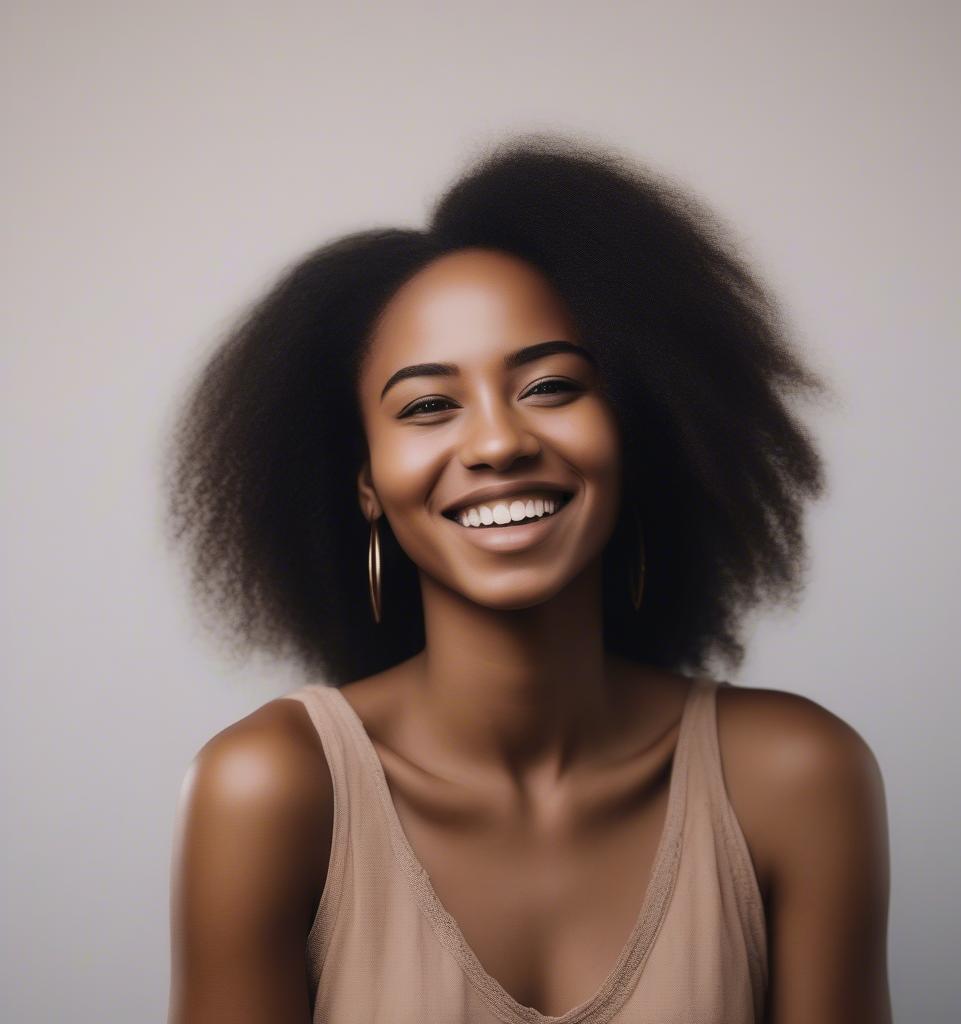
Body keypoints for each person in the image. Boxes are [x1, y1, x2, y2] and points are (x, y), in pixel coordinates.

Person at [163, 134, 892, 1023]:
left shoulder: (793, 779)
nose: (500, 443)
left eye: (550, 386)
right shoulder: (272, 792)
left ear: (637, 430)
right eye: (429, 405)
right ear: (364, 482)